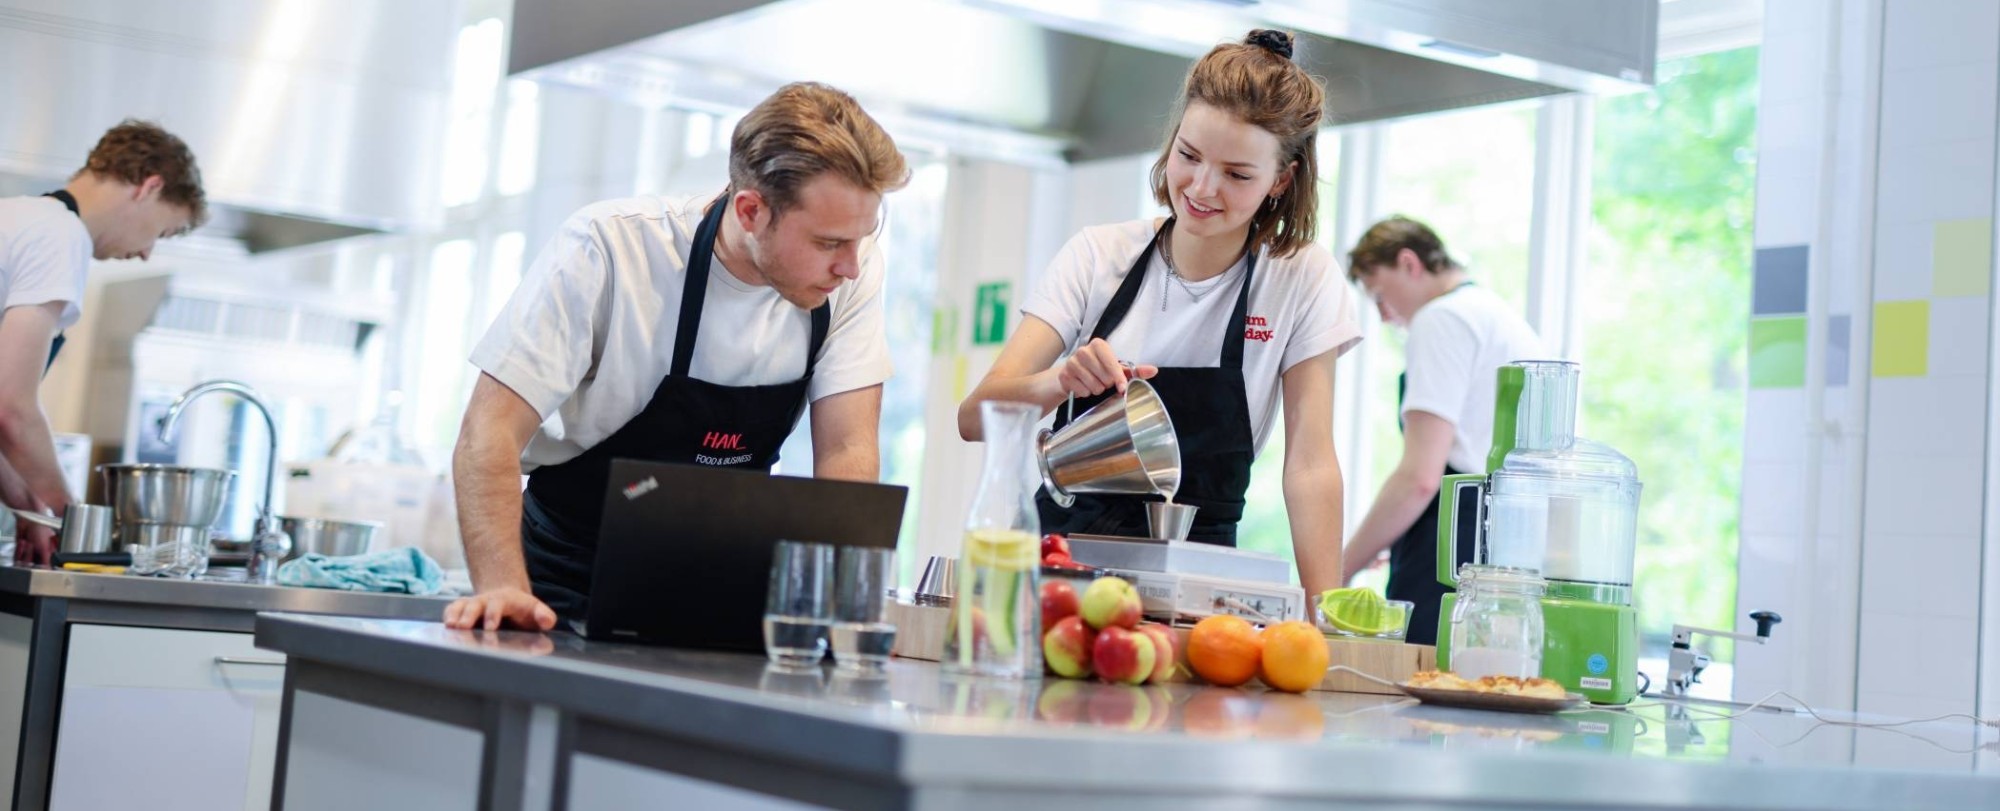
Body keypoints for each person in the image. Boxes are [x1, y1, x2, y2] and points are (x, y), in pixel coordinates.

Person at [444, 83, 908, 631]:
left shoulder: (851, 275)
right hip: (564, 585)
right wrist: (504, 590)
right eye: (829, 243)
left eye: (863, 239)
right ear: (752, 210)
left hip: (722, 583)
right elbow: (488, 433)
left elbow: (849, 452)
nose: (850, 265)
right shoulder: (610, 249)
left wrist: (840, 616)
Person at [959, 30, 1361, 602]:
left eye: (1237, 174)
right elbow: (975, 417)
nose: (1201, 188)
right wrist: (1058, 380)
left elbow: (1311, 466)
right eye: (1188, 156)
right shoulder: (1098, 255)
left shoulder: (1300, 277)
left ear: (1281, 180)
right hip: (1063, 572)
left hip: (1202, 583)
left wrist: (1329, 624)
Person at [2, 119, 207, 565]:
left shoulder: (17, 217)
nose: (148, 252)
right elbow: (11, 407)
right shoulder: (60, 236)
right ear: (149, 187)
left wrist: (27, 503)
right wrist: (71, 512)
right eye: (163, 232)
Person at [1339, 216, 1545, 645]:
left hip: (1451, 538)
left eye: (1379, 294)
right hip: (1502, 540)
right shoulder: (1495, 316)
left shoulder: (1442, 319)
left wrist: (1339, 566)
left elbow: (1420, 478)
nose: (1381, 314)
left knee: (1422, 687)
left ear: (1409, 263)